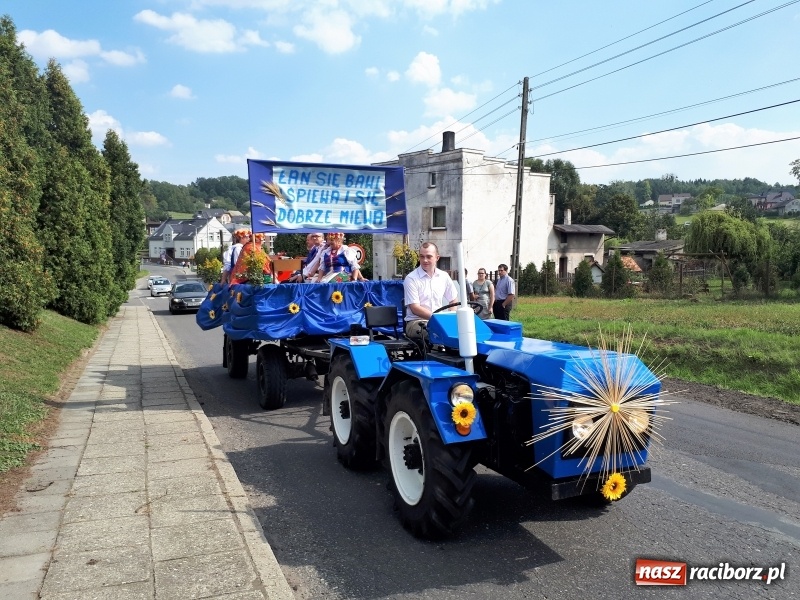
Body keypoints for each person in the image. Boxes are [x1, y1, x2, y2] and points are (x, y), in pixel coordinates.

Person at [403, 241, 459, 338]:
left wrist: (451, 317)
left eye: (429, 256)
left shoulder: (444, 276)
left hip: (439, 322)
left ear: (437, 258)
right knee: (437, 333)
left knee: (464, 332)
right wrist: (437, 319)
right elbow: (415, 308)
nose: (425, 260)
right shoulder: (411, 278)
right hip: (416, 322)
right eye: (422, 256)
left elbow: (453, 300)